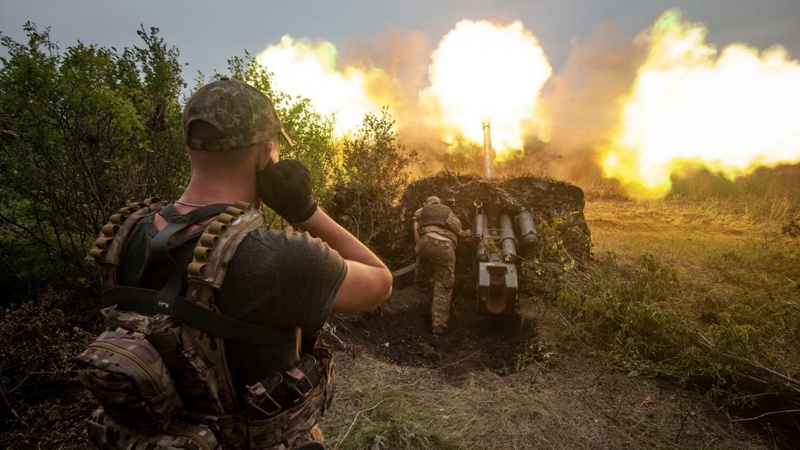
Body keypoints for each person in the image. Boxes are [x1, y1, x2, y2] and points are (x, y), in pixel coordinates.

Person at [114, 78, 393, 446]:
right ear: (266, 154)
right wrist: (305, 211)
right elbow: (380, 281)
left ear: (188, 146)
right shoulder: (279, 257)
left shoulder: (126, 236)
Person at [413, 196, 471, 335]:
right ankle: (439, 326)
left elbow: (416, 229)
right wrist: (468, 233)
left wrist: (419, 245)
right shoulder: (447, 212)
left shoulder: (422, 211)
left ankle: (421, 284)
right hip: (445, 246)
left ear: (427, 203)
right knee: (443, 287)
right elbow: (461, 233)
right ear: (439, 204)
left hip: (425, 240)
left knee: (422, 262)